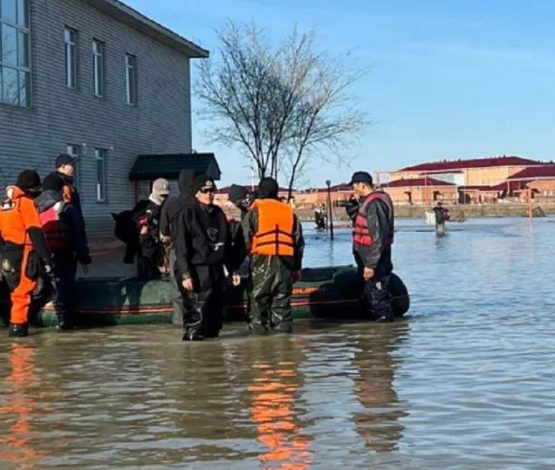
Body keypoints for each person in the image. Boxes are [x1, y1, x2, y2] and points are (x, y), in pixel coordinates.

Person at [174, 174, 241, 341]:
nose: (210, 194)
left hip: (216, 269)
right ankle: (194, 356)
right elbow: (181, 246)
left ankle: (214, 362)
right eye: (205, 191)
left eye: (212, 190)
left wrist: (232, 270)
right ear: (197, 193)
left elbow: (226, 245)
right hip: (196, 269)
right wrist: (185, 274)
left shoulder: (218, 214)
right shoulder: (188, 214)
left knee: (214, 320)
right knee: (197, 318)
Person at [242, 177, 304, 333]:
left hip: (261, 261)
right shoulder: (288, 211)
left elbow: (245, 237)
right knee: (282, 307)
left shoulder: (255, 210)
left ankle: (259, 350)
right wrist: (297, 267)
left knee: (257, 306)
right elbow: (298, 242)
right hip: (285, 263)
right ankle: (284, 348)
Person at [34, 173, 92, 329]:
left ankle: (31, 322)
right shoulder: (67, 208)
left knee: (39, 290)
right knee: (65, 289)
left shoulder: (33, 207)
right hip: (63, 255)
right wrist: (84, 258)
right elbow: (79, 235)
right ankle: (65, 323)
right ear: (60, 189)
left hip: (38, 256)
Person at [0, 170, 53, 337]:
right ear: (32, 188)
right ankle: (18, 334)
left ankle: (11, 326)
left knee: (12, 290)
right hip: (24, 252)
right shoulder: (26, 203)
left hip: (7, 253)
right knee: (22, 293)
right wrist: (46, 258)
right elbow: (35, 230)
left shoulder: (5, 205)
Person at [349, 171, 395, 322]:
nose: (353, 189)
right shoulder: (367, 202)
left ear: (362, 185)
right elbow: (359, 220)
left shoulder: (375, 204)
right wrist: (353, 206)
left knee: (378, 294)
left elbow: (378, 236)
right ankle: (371, 336)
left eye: (354, 186)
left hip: (374, 258)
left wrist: (371, 264)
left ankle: (384, 332)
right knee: (370, 294)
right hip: (366, 256)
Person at [159, 169, 196, 326]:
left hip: (178, 251)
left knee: (178, 292)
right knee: (199, 290)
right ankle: (199, 323)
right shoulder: (199, 203)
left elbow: (163, 234)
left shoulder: (171, 203)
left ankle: (180, 324)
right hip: (199, 251)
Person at [133, 178, 170, 278]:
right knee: (147, 277)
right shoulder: (143, 207)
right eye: (162, 195)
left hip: (162, 249)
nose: (164, 198)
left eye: (166, 196)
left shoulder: (167, 208)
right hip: (146, 249)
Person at [50, 153, 84, 218]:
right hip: (64, 223)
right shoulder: (55, 182)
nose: (73, 168)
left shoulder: (69, 183)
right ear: (63, 166)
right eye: (70, 165)